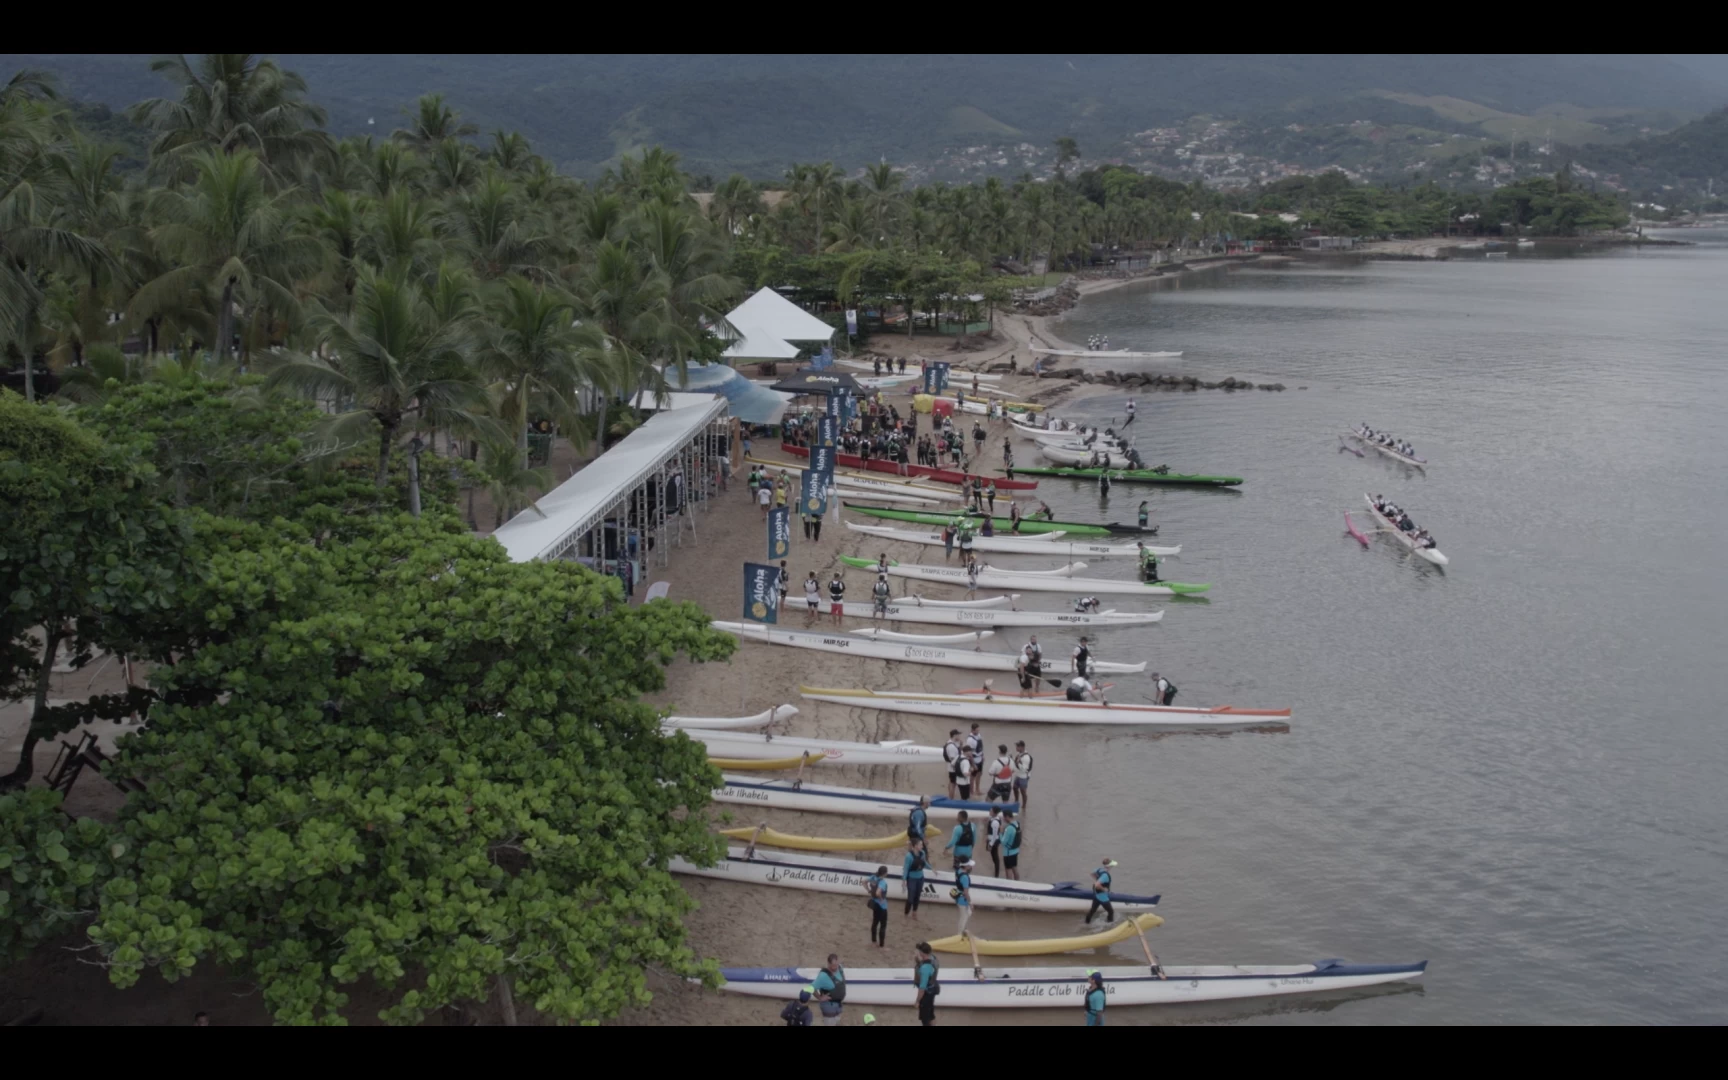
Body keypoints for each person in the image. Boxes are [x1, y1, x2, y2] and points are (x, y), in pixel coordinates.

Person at [813, 954, 847, 1026]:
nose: (835, 967)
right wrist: (820, 997)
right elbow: (811, 988)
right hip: (829, 1006)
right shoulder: (823, 976)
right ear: (828, 964)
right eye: (833, 965)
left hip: (839, 1005)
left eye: (836, 964)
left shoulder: (840, 968)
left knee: (837, 1023)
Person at [914, 943, 939, 1027]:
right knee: (931, 1014)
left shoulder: (925, 968)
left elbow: (922, 988)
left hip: (926, 994)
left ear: (921, 953)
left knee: (925, 1019)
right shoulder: (933, 959)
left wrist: (917, 1001)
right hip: (932, 990)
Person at [1086, 858, 1118, 924]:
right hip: (1101, 895)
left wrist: (1096, 880)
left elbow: (1091, 874)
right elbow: (1097, 885)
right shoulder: (1105, 875)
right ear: (1109, 866)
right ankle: (1110, 925)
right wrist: (1104, 889)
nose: (1112, 866)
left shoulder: (1099, 870)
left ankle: (1086, 923)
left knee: (1093, 910)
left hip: (1096, 893)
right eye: (1112, 865)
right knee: (1111, 911)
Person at [903, 838, 928, 920]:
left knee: (917, 896)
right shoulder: (909, 856)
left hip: (920, 878)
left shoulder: (922, 853)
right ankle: (906, 913)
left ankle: (914, 912)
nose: (922, 846)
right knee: (910, 898)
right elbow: (906, 869)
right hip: (912, 879)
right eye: (920, 844)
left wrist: (932, 869)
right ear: (915, 846)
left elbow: (924, 862)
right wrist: (904, 880)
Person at [866, 866, 890, 948]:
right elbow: (878, 893)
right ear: (884, 873)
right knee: (883, 925)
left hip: (874, 904)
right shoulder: (882, 882)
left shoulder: (873, 877)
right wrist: (881, 899)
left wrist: (868, 890)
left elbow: (863, 881)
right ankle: (881, 946)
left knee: (875, 923)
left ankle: (873, 942)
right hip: (881, 906)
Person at [953, 860, 975, 936]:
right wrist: (970, 903)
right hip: (963, 899)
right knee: (964, 917)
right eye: (970, 866)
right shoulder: (965, 877)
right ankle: (959, 935)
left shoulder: (958, 871)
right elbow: (966, 892)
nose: (971, 867)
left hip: (958, 896)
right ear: (966, 866)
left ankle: (963, 931)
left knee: (966, 914)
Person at [1000, 809, 1022, 880]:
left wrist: (1000, 832)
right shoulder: (1017, 824)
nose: (1003, 819)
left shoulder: (1009, 828)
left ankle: (1009, 885)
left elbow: (1003, 842)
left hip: (1008, 853)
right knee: (1015, 867)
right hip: (1015, 850)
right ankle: (1018, 882)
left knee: (1008, 869)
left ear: (1007, 817)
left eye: (1003, 817)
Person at [1012, 740, 1033, 810]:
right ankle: (1016, 801)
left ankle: (1024, 806)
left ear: (1022, 747)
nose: (1016, 748)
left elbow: (1024, 769)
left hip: (1024, 776)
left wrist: (1018, 763)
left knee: (1023, 791)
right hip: (1018, 775)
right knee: (1014, 788)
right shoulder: (1018, 754)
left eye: (1018, 746)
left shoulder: (1026, 757)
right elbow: (1016, 764)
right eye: (1016, 746)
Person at [943, 731, 963, 800]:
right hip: (953, 768)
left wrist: (960, 745)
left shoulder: (953, 743)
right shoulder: (951, 746)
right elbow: (952, 758)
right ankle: (951, 797)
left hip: (952, 767)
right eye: (958, 735)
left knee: (952, 782)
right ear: (955, 735)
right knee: (953, 783)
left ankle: (951, 796)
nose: (959, 737)